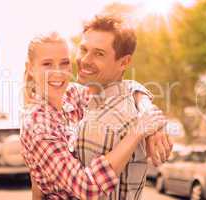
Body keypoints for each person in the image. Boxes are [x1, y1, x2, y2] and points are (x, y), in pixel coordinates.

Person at [20, 32, 166, 199]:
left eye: (64, 63)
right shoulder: (37, 124)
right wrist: (139, 130)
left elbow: (124, 88)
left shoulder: (71, 94)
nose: (58, 72)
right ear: (30, 68)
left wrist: (146, 109)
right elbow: (87, 188)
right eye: (47, 64)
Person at [73, 14, 173, 199]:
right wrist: (144, 102)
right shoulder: (93, 101)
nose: (85, 60)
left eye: (99, 53)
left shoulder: (109, 121)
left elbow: (87, 191)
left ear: (124, 62)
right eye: (83, 49)